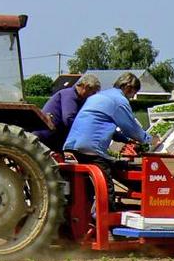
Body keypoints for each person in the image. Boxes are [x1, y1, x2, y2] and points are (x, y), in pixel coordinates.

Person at [63, 72, 159, 211]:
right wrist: (150, 140)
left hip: (71, 145)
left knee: (85, 187)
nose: (131, 97)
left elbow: (100, 124)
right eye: (133, 93)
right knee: (106, 185)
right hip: (90, 149)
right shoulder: (119, 101)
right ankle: (108, 219)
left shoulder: (99, 97)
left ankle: (90, 215)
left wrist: (126, 140)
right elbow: (131, 127)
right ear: (128, 87)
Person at [34, 74, 101, 151]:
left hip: (55, 139)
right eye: (93, 92)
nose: (92, 96)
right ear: (86, 87)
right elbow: (68, 119)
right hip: (46, 138)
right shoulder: (70, 95)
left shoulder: (79, 99)